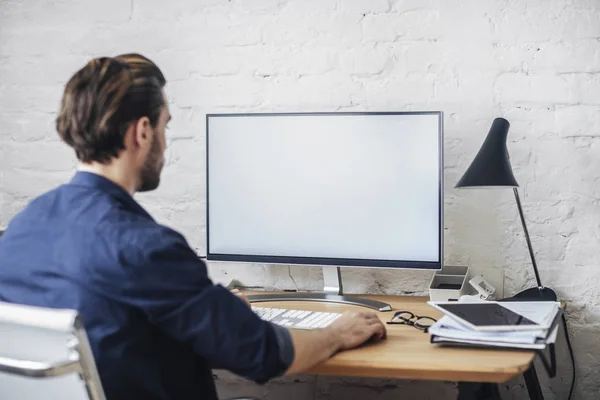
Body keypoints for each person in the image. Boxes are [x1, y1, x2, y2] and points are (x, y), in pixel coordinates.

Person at [0, 54, 386, 400]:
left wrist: (212, 312)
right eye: (166, 127)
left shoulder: (21, 228)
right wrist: (338, 332)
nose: (166, 145)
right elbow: (266, 355)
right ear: (143, 131)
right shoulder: (145, 247)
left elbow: (108, 325)